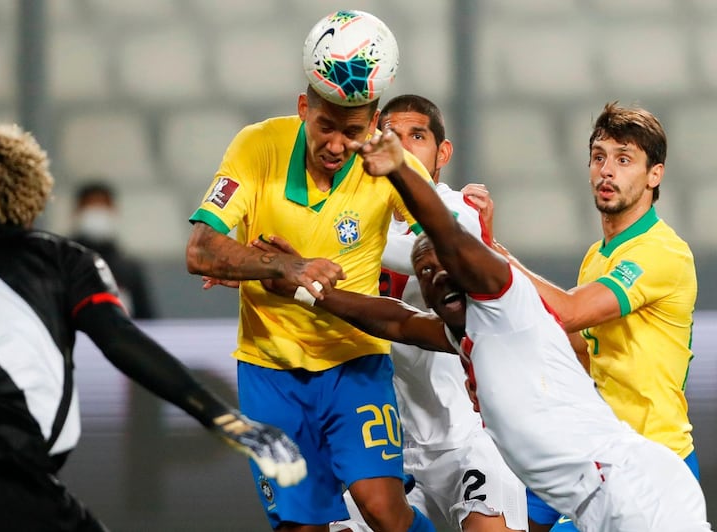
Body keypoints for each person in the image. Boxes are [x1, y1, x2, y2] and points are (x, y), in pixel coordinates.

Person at [253, 127, 711, 531]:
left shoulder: (503, 298)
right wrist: (303, 286)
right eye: (425, 274)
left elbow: (456, 242)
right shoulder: (464, 333)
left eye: (445, 266)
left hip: (629, 488)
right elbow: (396, 320)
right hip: (593, 490)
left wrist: (402, 172)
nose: (438, 278)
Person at [0, 112, 306, 531]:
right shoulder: (64, 261)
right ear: (32, 189)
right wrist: (223, 417)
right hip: (7, 478)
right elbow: (121, 341)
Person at [186, 74, 438, 532]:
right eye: (326, 126)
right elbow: (201, 249)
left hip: (354, 360)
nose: (337, 145)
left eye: (353, 132)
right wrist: (281, 266)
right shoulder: (258, 146)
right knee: (300, 527)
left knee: (382, 508)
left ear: (374, 124)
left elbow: (443, 238)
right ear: (304, 107)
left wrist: (435, 260)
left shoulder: (388, 164)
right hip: (269, 368)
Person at [489, 102, 700, 531]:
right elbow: (583, 347)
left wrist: (490, 254)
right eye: (599, 157)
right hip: (599, 456)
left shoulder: (662, 252)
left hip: (654, 465)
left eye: (624, 160)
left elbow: (568, 313)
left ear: (654, 176)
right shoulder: (597, 258)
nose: (608, 170)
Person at [332, 95, 526, 532]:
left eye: (416, 136)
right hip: (393, 445)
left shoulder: (458, 212)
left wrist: (333, 243)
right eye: (391, 136)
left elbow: (433, 248)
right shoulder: (354, 217)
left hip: (471, 437)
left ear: (443, 153)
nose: (402, 147)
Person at [70, 180, 155, 320]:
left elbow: (148, 322)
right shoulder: (61, 263)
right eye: (91, 205)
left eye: (103, 205)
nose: (97, 212)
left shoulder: (129, 270)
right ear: (77, 211)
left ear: (113, 211)